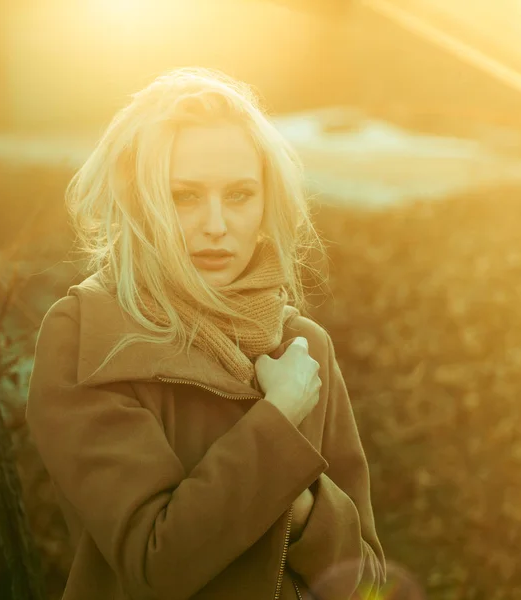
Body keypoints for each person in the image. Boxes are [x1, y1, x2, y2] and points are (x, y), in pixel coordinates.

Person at [26, 66, 386, 600]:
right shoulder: (86, 333)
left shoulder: (301, 345)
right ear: (138, 202)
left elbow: (368, 582)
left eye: (240, 195)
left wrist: (302, 507)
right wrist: (278, 423)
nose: (216, 225)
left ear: (268, 202)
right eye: (184, 197)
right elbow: (156, 566)